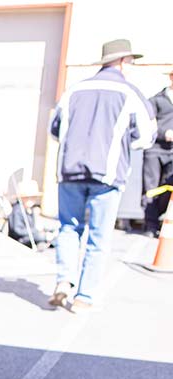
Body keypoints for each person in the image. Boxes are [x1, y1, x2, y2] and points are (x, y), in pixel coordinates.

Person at [48, 38, 156, 311]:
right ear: (122, 61)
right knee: (98, 236)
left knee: (68, 227)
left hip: (70, 170)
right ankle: (84, 296)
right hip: (106, 175)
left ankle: (63, 281)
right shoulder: (129, 93)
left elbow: (54, 129)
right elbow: (146, 136)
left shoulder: (74, 90)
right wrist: (121, 144)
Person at [142, 68, 173, 236]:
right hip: (155, 150)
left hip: (172, 152)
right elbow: (147, 123)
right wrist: (163, 133)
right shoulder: (156, 100)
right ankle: (150, 225)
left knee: (168, 188)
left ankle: (164, 221)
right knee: (151, 188)